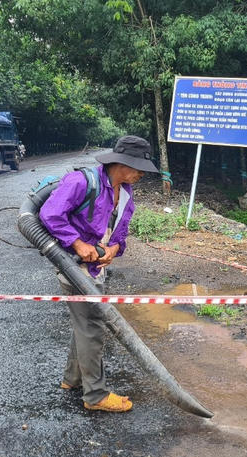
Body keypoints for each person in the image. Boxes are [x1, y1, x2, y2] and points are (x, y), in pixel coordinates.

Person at [39, 135, 158, 413]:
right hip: (74, 266)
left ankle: (73, 379)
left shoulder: (126, 193)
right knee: (92, 326)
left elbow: (122, 230)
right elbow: (50, 214)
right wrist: (77, 243)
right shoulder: (82, 182)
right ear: (120, 163)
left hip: (97, 268)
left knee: (85, 323)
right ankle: (95, 396)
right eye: (138, 168)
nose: (141, 174)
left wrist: (116, 247)